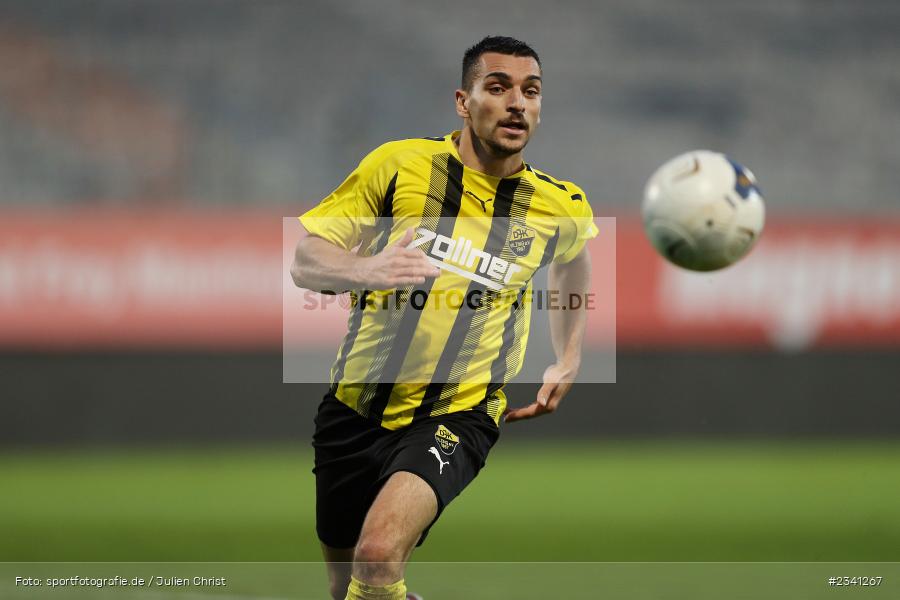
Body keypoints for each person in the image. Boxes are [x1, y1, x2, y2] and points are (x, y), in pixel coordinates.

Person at [290, 35, 597, 600]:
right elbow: (306, 258)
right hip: (354, 408)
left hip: (460, 412)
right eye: (498, 88)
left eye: (530, 92)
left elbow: (573, 263)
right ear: (463, 100)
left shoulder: (560, 204)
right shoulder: (398, 165)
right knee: (346, 590)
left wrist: (569, 356)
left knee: (377, 558)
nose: (517, 104)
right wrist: (368, 268)